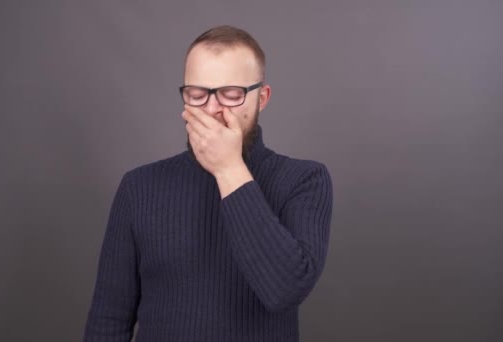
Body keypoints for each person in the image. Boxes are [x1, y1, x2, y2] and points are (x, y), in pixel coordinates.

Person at [83, 25, 333, 342]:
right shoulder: (139, 187)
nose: (212, 109)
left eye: (231, 95)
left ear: (262, 98)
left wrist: (228, 168)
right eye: (198, 95)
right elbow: (108, 322)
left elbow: (284, 290)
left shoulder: (304, 180)